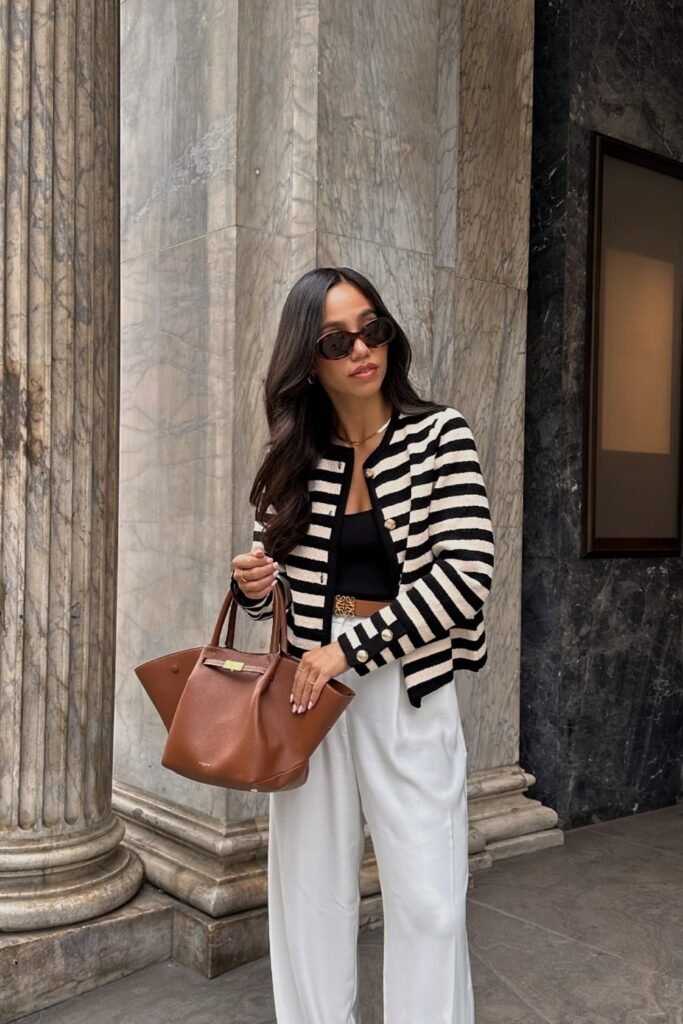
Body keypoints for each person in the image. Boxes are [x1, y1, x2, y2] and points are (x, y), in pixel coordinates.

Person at [230, 266, 495, 1024]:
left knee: (430, 900)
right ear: (306, 359)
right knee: (310, 897)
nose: (361, 349)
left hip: (404, 681)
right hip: (308, 692)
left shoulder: (439, 435)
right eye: (336, 339)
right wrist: (256, 587)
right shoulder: (290, 459)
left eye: (372, 328)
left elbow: (466, 575)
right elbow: (274, 595)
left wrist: (352, 650)